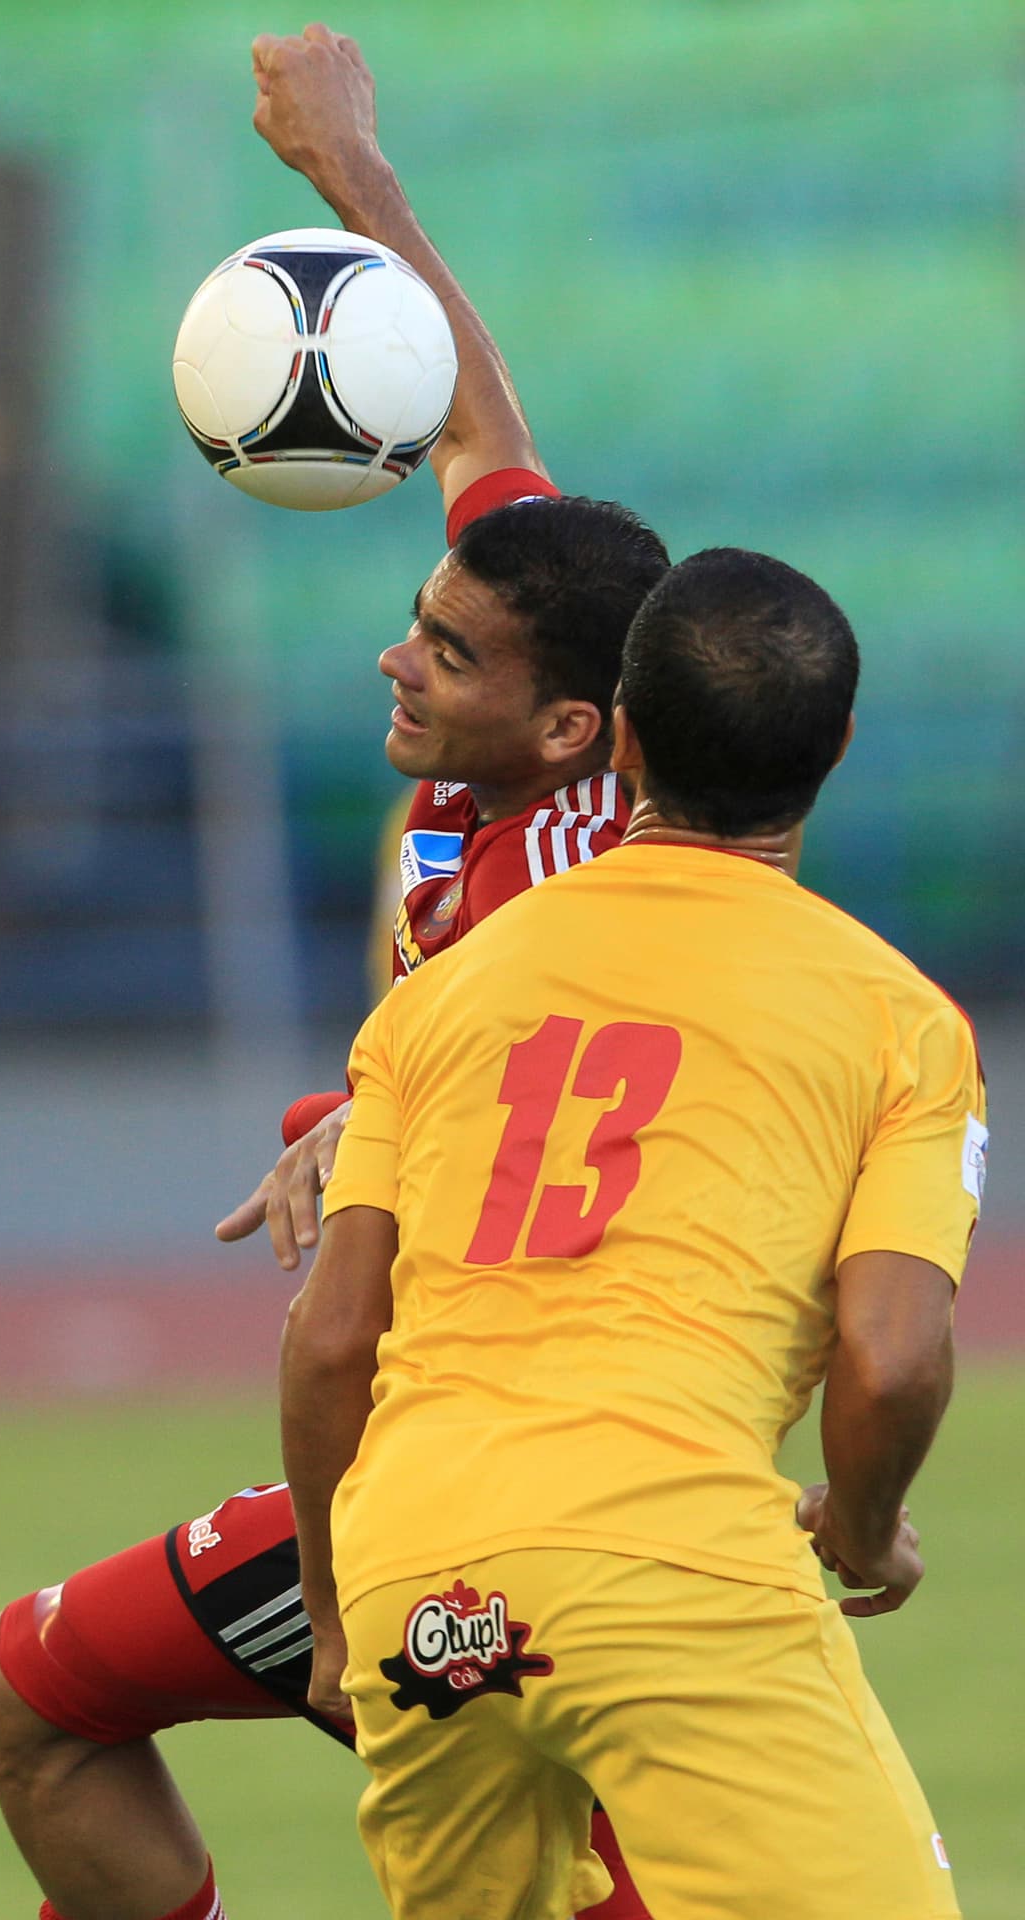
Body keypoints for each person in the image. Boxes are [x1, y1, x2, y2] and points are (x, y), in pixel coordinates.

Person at [0, 26, 666, 1920]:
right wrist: (354, 178)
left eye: (445, 651)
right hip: (500, 1494)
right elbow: (482, 441)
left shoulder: (578, 921)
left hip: (467, 1525)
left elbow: (339, 1329)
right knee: (29, 1698)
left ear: (571, 727)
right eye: (416, 621)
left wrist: (364, 1142)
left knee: (564, 1855)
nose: (396, 660)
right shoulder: (567, 725)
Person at [280, 545, 986, 1919]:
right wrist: (861, 1528)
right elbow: (892, 1359)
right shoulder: (898, 1019)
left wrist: (327, 1619)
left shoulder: (436, 999)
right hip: (670, 1567)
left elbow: (330, 1341)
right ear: (837, 748)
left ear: (631, 738)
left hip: (417, 1581)